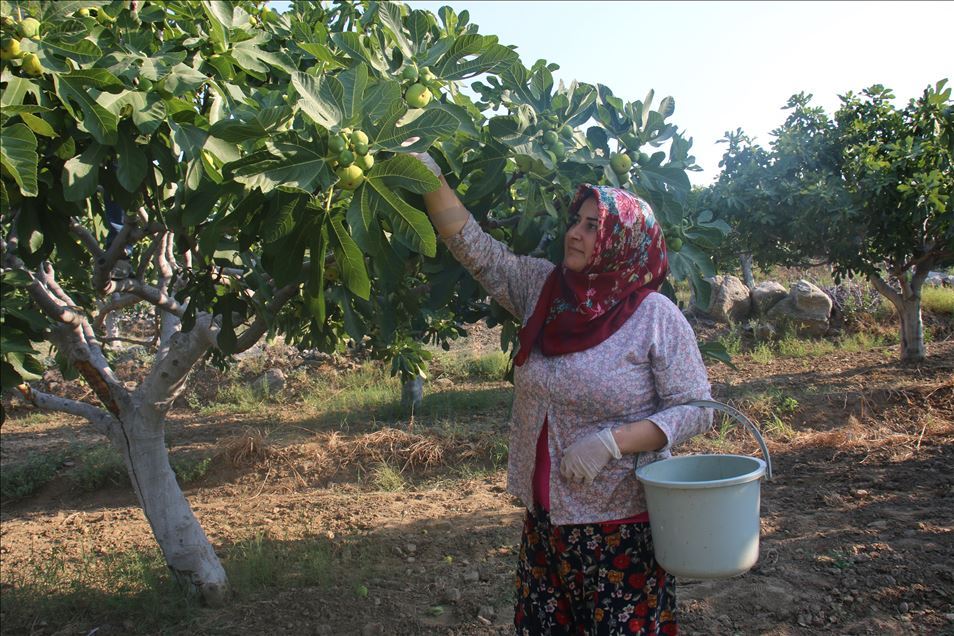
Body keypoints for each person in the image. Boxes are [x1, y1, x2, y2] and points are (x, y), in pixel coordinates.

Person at [413, 151, 713, 635]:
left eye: (594, 226)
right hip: (546, 525)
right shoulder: (544, 290)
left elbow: (697, 410)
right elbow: (474, 247)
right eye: (577, 221)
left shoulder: (655, 317)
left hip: (621, 528)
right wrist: (429, 177)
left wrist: (615, 441)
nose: (575, 232)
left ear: (623, 241)